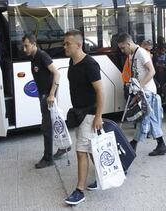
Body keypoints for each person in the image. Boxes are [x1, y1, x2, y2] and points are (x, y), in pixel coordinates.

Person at [63, 30, 104, 205]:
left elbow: (100, 91)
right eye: (64, 43)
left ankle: (79, 191)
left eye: (67, 44)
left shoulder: (90, 64)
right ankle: (106, 175)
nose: (64, 46)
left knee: (81, 152)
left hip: (89, 114)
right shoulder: (71, 62)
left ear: (78, 45)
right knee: (92, 149)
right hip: (79, 114)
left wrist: (98, 116)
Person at [22, 34, 69, 169]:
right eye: (23, 46)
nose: (24, 49)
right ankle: (65, 145)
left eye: (26, 46)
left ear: (33, 44)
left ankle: (48, 158)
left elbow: (57, 73)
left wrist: (51, 94)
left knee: (47, 127)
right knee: (54, 122)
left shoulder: (42, 55)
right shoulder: (33, 58)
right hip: (43, 94)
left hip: (48, 96)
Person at [117, 32, 166, 156]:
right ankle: (161, 145)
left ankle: (133, 145)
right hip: (143, 92)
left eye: (123, 48)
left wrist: (140, 85)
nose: (122, 51)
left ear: (128, 44)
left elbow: (152, 71)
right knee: (150, 119)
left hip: (148, 92)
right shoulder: (132, 54)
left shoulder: (141, 53)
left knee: (142, 119)